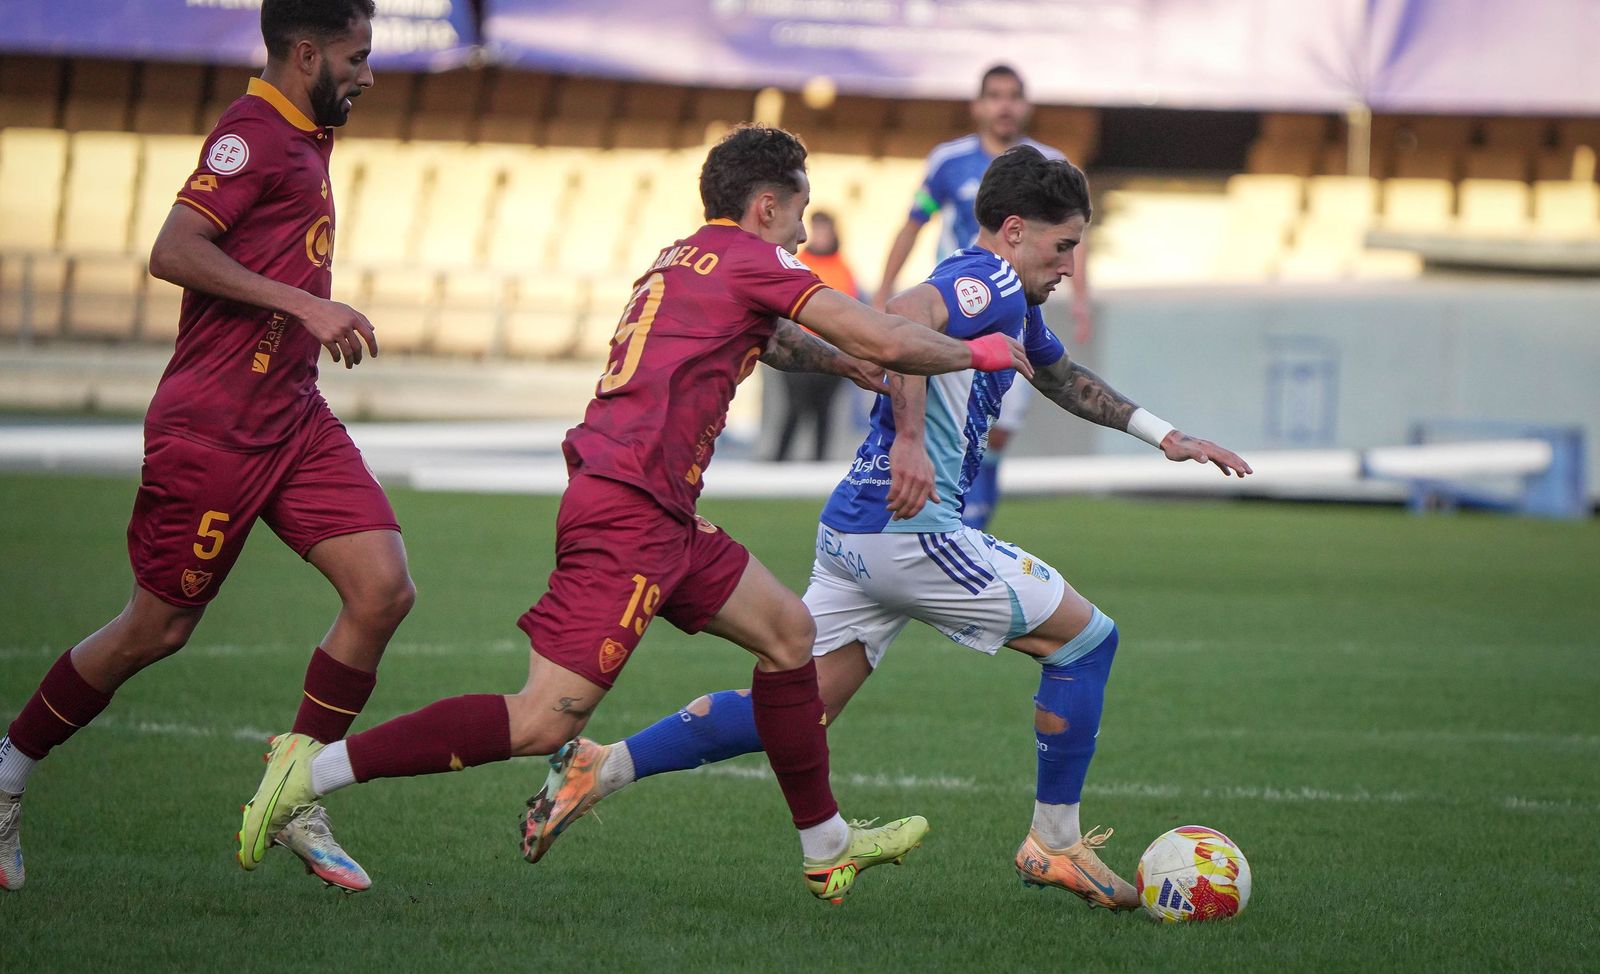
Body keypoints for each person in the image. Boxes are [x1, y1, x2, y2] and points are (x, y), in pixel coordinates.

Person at [235, 124, 1036, 904]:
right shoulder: (758, 258)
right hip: (629, 511)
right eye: (798, 210)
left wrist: (839, 360)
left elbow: (772, 339)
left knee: (789, 634)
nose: (801, 228)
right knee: (542, 720)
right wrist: (980, 351)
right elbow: (888, 335)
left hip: (655, 507)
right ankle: (308, 773)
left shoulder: (685, 255)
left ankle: (826, 848)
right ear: (765, 206)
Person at [504, 146, 1252, 912]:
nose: (1069, 264)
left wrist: (1166, 436)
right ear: (1017, 231)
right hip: (912, 534)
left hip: (858, 533)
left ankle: (602, 767)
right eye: (1064, 246)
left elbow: (1062, 379)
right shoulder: (985, 277)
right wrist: (905, 438)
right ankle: (1053, 843)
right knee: (1088, 640)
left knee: (799, 709)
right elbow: (898, 320)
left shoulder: (1014, 301)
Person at [0, 0, 404, 895]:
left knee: (382, 589)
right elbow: (172, 249)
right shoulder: (253, 133)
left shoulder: (305, 133)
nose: (369, 75)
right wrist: (304, 305)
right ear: (307, 54)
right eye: (358, 56)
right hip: (214, 425)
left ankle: (297, 793)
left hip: (292, 415)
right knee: (157, 628)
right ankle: (7, 772)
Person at [880, 64, 1096, 529]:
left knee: (993, 431)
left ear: (1026, 105)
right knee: (946, 422)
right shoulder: (948, 162)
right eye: (995, 95)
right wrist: (884, 287)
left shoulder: (1049, 165)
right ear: (978, 105)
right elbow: (915, 221)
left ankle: (968, 524)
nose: (1004, 105)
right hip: (956, 311)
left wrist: (1081, 297)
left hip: (1011, 314)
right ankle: (943, 522)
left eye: (1013, 96)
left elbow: (1073, 238)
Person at [772, 211, 857, 461]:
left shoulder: (843, 269)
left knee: (824, 410)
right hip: (797, 346)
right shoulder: (799, 262)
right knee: (795, 408)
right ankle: (778, 462)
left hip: (830, 349)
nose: (820, 236)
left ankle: (818, 462)